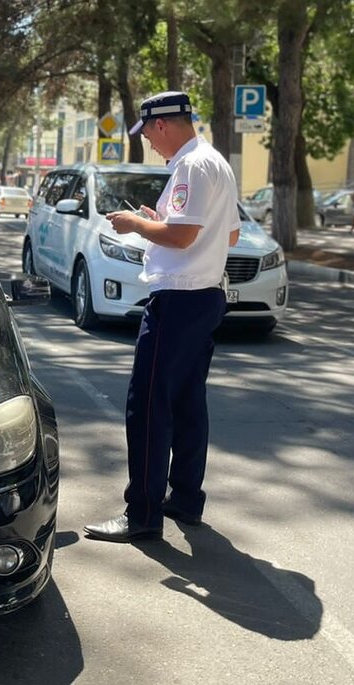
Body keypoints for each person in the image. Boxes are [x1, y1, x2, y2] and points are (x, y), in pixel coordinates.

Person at [84, 91, 239, 543]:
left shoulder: (191, 166)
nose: (150, 143)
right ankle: (186, 499)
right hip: (204, 297)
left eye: (149, 133)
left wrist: (137, 225)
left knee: (148, 406)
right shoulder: (217, 163)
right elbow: (226, 235)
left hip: (177, 301)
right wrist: (158, 221)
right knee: (188, 403)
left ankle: (143, 514)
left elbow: (184, 235)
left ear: (162, 124)